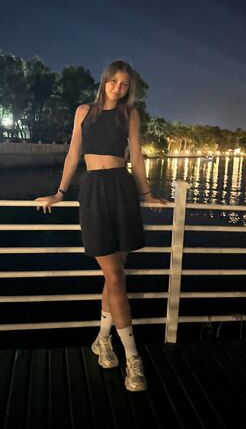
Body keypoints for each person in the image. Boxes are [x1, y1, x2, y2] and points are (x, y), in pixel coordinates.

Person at [34, 60, 166, 392]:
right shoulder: (84, 112)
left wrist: (146, 194)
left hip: (122, 190)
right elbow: (73, 154)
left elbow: (137, 156)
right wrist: (60, 192)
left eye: (125, 84)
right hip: (94, 191)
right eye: (114, 81)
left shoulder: (129, 114)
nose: (118, 88)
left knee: (114, 276)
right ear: (104, 81)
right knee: (116, 277)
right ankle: (133, 358)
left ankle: (103, 340)